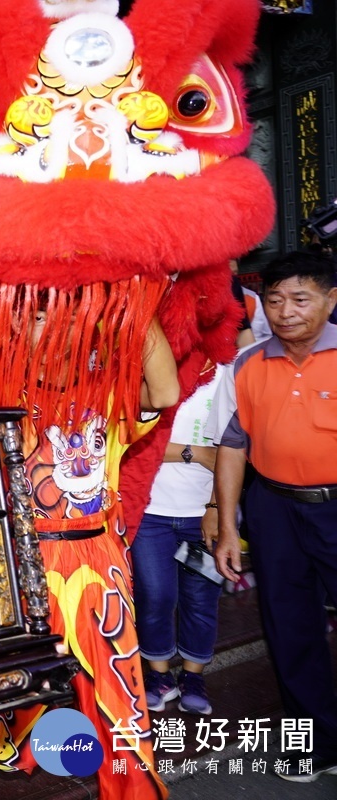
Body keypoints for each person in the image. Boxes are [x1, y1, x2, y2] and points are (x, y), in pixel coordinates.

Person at [0, 277, 179, 798]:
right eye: (34, 316)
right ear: (11, 325)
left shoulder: (108, 391)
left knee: (115, 682)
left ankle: (130, 788)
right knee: (14, 681)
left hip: (95, 555)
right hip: (20, 559)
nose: (49, 326)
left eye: (62, 314)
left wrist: (134, 300)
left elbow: (166, 392)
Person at [213, 249, 337, 782]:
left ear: (331, 300)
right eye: (275, 299)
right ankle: (314, 746)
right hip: (274, 508)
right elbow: (233, 445)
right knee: (289, 627)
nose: (285, 310)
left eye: (300, 298)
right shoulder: (249, 362)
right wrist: (226, 524)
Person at [131, 369, 225, 717]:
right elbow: (132, 442)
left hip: (203, 514)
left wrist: (217, 508)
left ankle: (193, 678)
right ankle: (160, 677)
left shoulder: (223, 375)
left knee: (201, 599)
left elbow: (228, 452)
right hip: (149, 511)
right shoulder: (141, 374)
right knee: (155, 596)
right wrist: (194, 452)